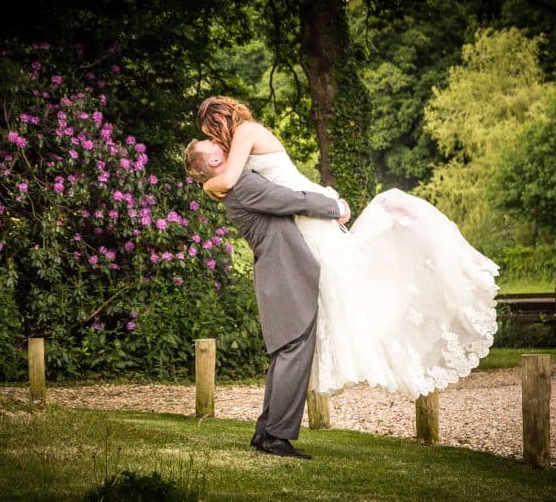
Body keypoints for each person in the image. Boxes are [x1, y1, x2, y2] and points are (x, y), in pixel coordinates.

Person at [196, 95, 501, 398]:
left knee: (347, 274)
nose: (214, 140)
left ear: (219, 119)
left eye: (210, 133)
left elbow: (229, 179)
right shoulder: (240, 139)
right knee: (338, 283)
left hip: (306, 206)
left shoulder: (246, 132)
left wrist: (206, 185)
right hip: (298, 213)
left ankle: (392, 223)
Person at [184, 138, 350, 459]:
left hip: (278, 274)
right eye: (214, 144)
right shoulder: (242, 185)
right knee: (294, 351)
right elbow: (290, 200)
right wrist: (336, 208)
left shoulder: (236, 184)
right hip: (284, 274)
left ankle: (266, 432)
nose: (222, 142)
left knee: (287, 351)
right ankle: (275, 436)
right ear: (215, 163)